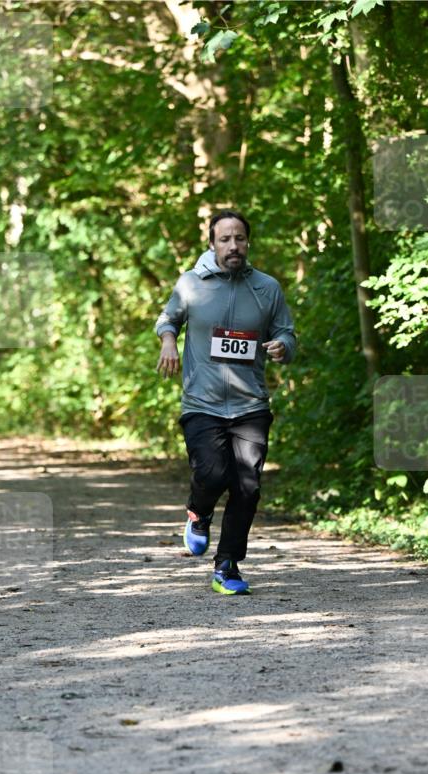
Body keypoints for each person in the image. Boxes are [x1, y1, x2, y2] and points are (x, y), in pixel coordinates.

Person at [155, 209, 297, 595]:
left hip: (251, 404)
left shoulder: (267, 288)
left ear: (248, 242)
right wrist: (169, 340)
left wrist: (283, 346)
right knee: (214, 474)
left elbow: (286, 331)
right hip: (202, 402)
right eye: (225, 239)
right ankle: (199, 512)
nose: (233, 246)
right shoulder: (191, 284)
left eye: (240, 238)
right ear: (212, 243)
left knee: (248, 486)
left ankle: (227, 566)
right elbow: (168, 319)